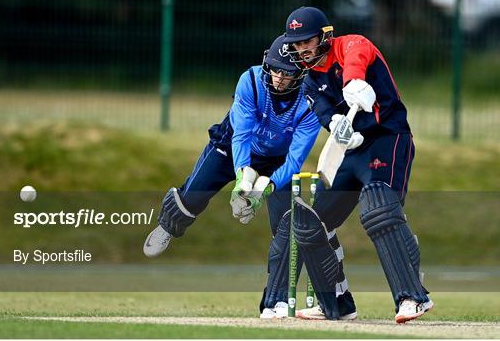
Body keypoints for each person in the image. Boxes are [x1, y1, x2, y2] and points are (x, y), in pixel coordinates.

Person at [143, 35, 356, 320]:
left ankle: (277, 299)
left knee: (286, 224)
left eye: (288, 72)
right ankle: (168, 227)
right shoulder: (251, 81)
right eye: (276, 70)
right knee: (194, 194)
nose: (280, 78)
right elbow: (241, 135)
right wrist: (243, 183)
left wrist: (264, 189)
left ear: (299, 72)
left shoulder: (308, 100)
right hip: (233, 145)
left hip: (278, 160)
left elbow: (295, 159)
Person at [282, 6, 433, 323]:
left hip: (387, 139)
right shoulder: (310, 82)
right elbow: (323, 112)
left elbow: (357, 57)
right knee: (311, 223)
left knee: (378, 209)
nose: (301, 49)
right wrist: (337, 124)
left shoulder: (351, 44)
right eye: (295, 44)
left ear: (324, 35)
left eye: (306, 40)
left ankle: (412, 298)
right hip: (352, 151)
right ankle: (336, 304)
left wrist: (353, 82)